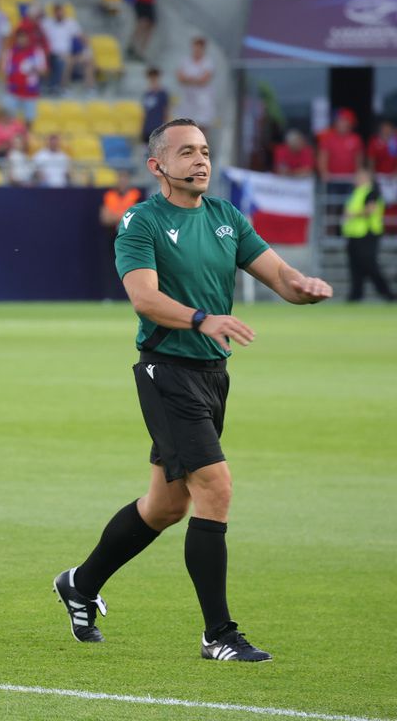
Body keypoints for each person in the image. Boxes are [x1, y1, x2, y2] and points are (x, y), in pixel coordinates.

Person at [53, 118, 332, 663]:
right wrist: (203, 318)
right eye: (186, 152)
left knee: (166, 505)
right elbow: (144, 299)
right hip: (167, 371)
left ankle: (79, 584)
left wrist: (306, 288)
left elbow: (280, 276)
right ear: (158, 166)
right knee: (216, 489)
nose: (200, 160)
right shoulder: (141, 221)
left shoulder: (227, 217)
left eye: (204, 150)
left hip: (212, 375)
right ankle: (218, 635)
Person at [342, 169, 393, 302]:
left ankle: (388, 294)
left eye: (359, 176)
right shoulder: (355, 192)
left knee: (370, 264)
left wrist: (353, 214)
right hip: (354, 234)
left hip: (368, 233)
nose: (356, 179)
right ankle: (355, 295)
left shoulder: (372, 192)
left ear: (367, 178)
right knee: (355, 265)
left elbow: (371, 209)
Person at [97, 169, 141, 300]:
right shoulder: (109, 195)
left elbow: (138, 217)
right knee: (110, 267)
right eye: (120, 179)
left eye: (125, 179)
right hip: (113, 236)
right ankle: (109, 296)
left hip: (131, 237)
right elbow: (105, 218)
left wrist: (116, 215)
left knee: (134, 267)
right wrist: (123, 215)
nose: (122, 182)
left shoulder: (135, 194)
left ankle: (135, 296)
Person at [2, 28, 47, 122]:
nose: (22, 40)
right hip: (13, 92)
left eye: (24, 37)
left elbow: (44, 71)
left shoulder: (36, 52)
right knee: (9, 120)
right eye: (20, 37)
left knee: (29, 120)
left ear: (28, 38)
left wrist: (33, 69)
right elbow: (5, 71)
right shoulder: (10, 52)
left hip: (30, 93)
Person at [317, 108, 364, 198]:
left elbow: (359, 158)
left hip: (351, 178)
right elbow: (323, 156)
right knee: (332, 202)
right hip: (332, 178)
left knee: (350, 202)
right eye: (340, 121)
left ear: (350, 123)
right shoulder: (327, 138)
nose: (342, 123)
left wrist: (358, 173)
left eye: (345, 121)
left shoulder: (356, 139)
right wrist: (323, 172)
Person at [175, 37, 215, 136]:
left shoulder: (207, 62)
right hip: (188, 99)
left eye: (199, 48)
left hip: (202, 100)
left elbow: (204, 80)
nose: (196, 50)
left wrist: (188, 79)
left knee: (202, 128)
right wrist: (195, 79)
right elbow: (180, 78)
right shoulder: (185, 60)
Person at [41, 3, 82, 95]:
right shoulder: (47, 23)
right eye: (57, 12)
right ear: (54, 13)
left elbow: (80, 38)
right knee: (67, 61)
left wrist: (83, 50)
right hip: (53, 53)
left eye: (61, 12)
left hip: (67, 53)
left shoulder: (70, 23)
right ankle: (63, 87)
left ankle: (90, 88)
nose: (60, 14)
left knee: (88, 59)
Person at [140, 67, 169, 145]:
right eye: (151, 77)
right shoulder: (147, 93)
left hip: (158, 125)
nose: (152, 79)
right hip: (147, 126)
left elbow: (166, 110)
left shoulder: (162, 93)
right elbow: (145, 111)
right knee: (146, 149)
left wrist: (165, 126)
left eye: (154, 76)